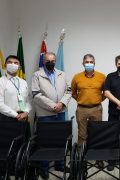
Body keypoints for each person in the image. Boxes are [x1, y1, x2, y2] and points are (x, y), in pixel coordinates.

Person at [31, 52, 71, 180]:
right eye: (48, 60)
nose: (50, 62)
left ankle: (59, 164)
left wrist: (61, 103)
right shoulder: (37, 75)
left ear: (55, 61)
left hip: (61, 112)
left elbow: (68, 90)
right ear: (43, 61)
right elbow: (35, 94)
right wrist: (52, 106)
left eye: (53, 60)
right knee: (45, 140)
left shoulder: (62, 74)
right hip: (45, 113)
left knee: (60, 138)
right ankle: (44, 167)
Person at [71, 54, 105, 168]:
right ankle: (81, 157)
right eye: (87, 62)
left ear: (95, 63)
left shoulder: (102, 76)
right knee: (82, 134)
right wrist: (81, 100)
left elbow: (106, 92)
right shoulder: (77, 77)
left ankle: (98, 158)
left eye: (91, 62)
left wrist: (98, 100)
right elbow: (73, 92)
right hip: (82, 109)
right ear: (83, 63)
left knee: (98, 133)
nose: (89, 64)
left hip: (96, 108)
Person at [0, 55, 31, 179]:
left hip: (22, 119)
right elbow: (0, 104)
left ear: (19, 66)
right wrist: (15, 115)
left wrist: (26, 112)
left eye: (16, 62)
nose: (13, 64)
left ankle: (18, 172)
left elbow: (29, 101)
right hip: (7, 120)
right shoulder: (1, 81)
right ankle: (5, 174)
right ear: (5, 64)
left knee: (21, 147)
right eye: (10, 62)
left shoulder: (23, 82)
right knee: (7, 148)